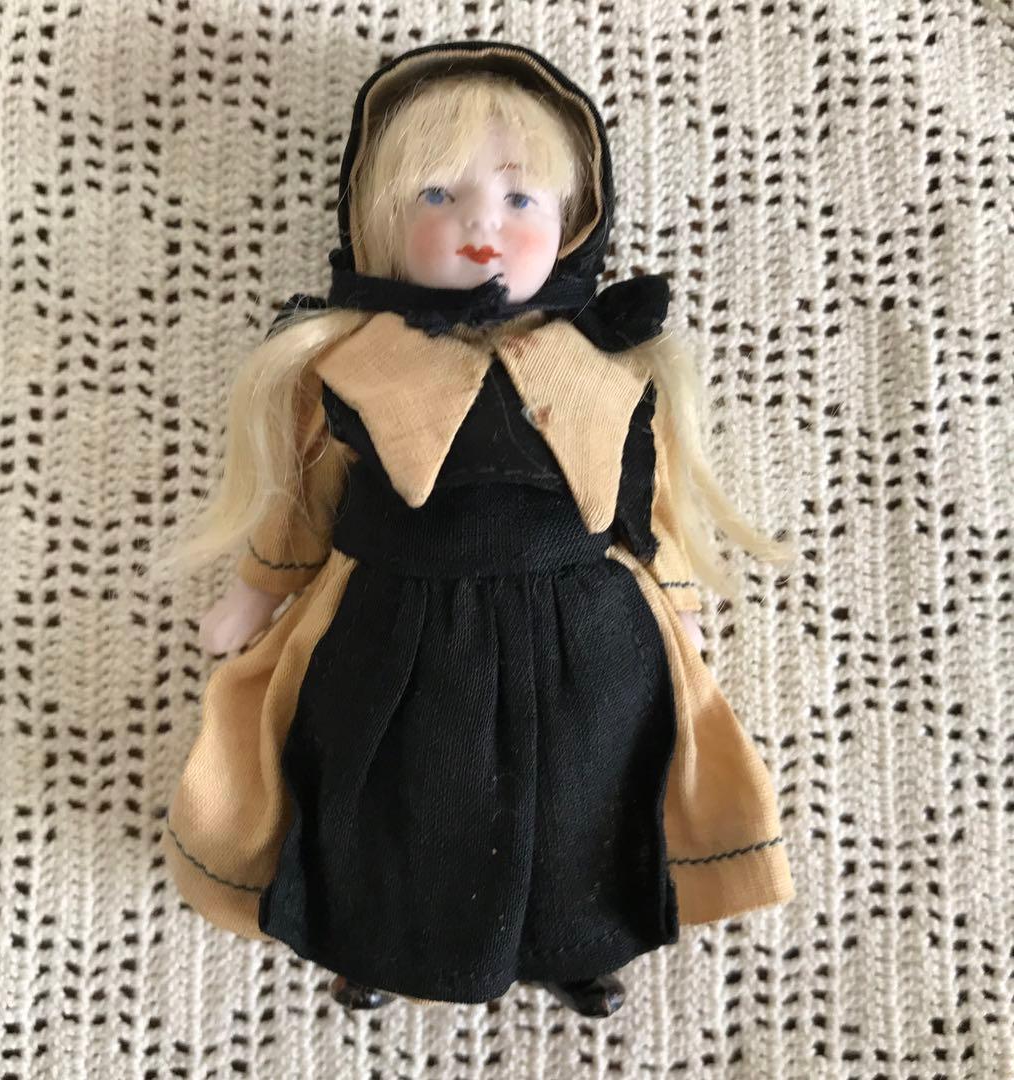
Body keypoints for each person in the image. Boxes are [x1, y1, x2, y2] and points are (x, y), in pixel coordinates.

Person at [160, 41, 796, 1018]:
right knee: (391, 789)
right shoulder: (349, 367)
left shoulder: (606, 367)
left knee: (585, 792)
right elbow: (302, 500)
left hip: (586, 633)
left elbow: (646, 505)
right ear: (379, 216)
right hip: (394, 623)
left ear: (574, 220)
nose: (481, 227)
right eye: (437, 195)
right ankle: (373, 938)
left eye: (519, 198)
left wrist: (675, 602)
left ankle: (578, 941)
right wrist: (258, 589)